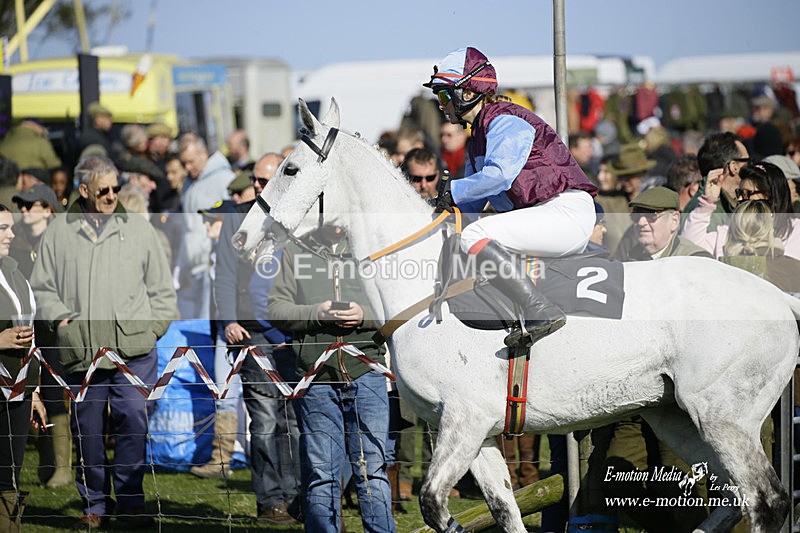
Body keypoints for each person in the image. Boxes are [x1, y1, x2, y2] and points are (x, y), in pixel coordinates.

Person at [30, 155, 176, 529]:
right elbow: (43, 287)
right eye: (104, 190)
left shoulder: (139, 230)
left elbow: (162, 291)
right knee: (88, 431)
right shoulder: (59, 231)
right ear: (83, 191)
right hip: (82, 352)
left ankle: (130, 501)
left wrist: (154, 328)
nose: (113, 196)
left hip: (134, 349)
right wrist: (62, 320)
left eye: (116, 188)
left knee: (133, 422)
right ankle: (95, 505)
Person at [424, 46, 597, 347]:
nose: (440, 105)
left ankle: (539, 310)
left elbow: (498, 176)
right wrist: (433, 217)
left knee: (474, 235)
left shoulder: (505, 120)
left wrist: (453, 190)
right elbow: (471, 206)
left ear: (466, 92)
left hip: (566, 212)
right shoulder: (476, 136)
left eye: (443, 96)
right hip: (545, 213)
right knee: (466, 232)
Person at [268, 225, 395, 533]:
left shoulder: (373, 247)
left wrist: (364, 314)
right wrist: (317, 312)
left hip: (369, 373)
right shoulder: (295, 251)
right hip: (316, 379)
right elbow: (275, 307)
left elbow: (399, 306)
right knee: (322, 474)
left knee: (372, 472)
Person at [213, 152, 301, 523]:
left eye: (266, 181)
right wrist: (229, 321)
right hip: (254, 335)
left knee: (295, 423)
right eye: (255, 180)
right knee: (263, 423)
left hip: (294, 335)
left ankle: (300, 498)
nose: (258, 187)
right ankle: (270, 501)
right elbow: (225, 275)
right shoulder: (238, 218)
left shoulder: (302, 217)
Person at [8, 185, 71, 490]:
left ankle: (62, 466)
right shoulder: (16, 245)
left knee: (56, 392)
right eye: (20, 206)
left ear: (48, 209)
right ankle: (47, 459)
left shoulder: (62, 241)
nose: (24, 211)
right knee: (31, 391)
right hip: (29, 331)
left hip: (58, 330)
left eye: (30, 205)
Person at [0, 204, 47, 531]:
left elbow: (30, 335)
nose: (11, 234)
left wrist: (35, 391)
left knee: (10, 470)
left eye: (11, 227)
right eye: (3, 228)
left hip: (16, 390)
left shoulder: (16, 274)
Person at [683, 160, 800, 259]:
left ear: (769, 195)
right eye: (739, 192)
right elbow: (690, 249)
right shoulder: (728, 230)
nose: (739, 199)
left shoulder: (795, 232)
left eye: (746, 193)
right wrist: (707, 204)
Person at [176, 133, 234, 319]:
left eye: (191, 162)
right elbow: (188, 228)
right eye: (183, 163)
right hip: (191, 268)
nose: (187, 168)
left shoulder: (224, 179)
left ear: (203, 153)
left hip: (210, 265)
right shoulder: (188, 183)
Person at [681, 131, 750, 234]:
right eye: (748, 162)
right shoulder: (708, 214)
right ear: (733, 167)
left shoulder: (724, 204)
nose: (752, 168)